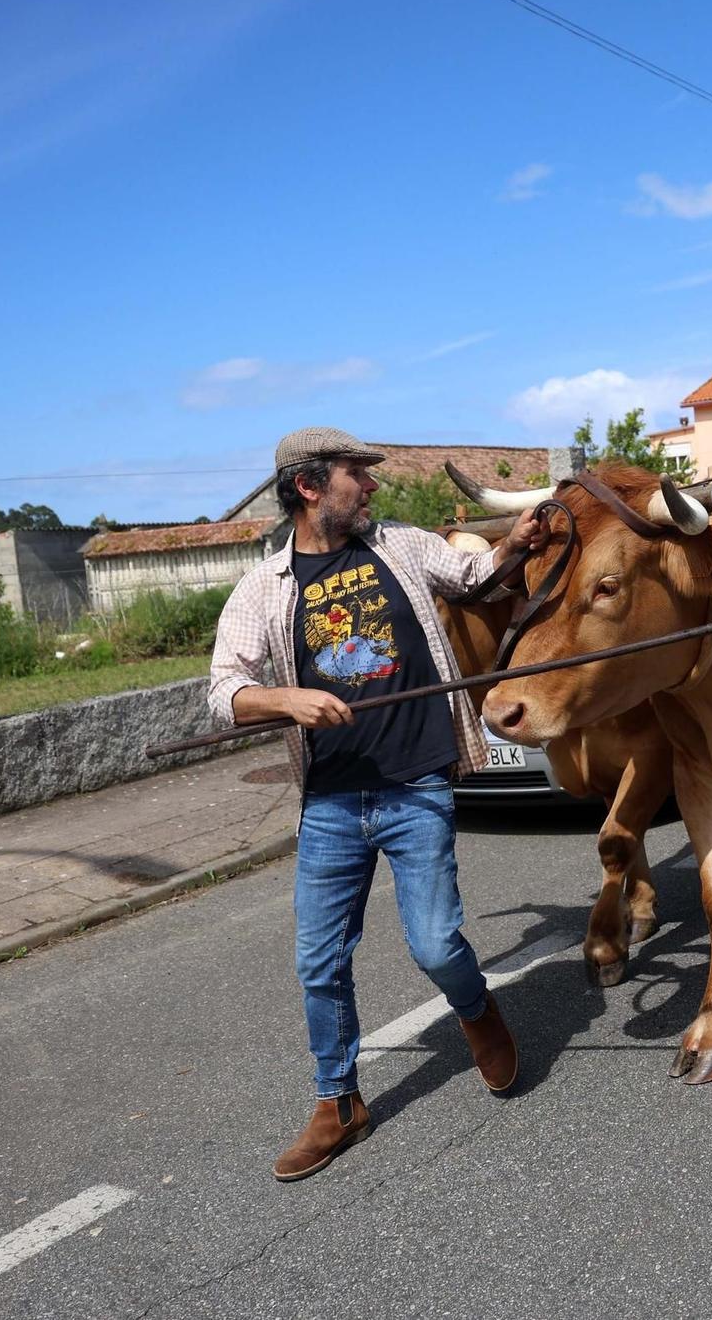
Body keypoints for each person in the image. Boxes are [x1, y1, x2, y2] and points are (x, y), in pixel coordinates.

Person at [208, 426, 545, 1183]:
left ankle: (475, 1008)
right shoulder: (265, 586)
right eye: (358, 474)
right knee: (318, 961)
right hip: (330, 800)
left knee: (434, 944)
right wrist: (286, 699)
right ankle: (339, 1103)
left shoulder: (401, 545)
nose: (373, 486)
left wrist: (517, 544)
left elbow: (477, 575)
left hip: (415, 781)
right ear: (309, 486)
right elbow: (224, 689)